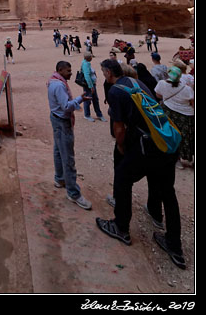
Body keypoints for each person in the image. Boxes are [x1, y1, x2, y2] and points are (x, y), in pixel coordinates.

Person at [96, 59, 186, 270]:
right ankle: (174, 245)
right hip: (165, 144)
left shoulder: (115, 91)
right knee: (168, 193)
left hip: (147, 148)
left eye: (103, 72)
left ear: (108, 73)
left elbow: (119, 128)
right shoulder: (136, 82)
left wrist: (121, 146)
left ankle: (121, 226)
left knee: (122, 177)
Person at [47, 60, 93, 209]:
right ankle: (73, 193)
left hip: (56, 118)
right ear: (60, 70)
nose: (71, 73)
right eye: (68, 71)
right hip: (62, 121)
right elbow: (66, 107)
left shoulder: (53, 80)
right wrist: (80, 99)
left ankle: (59, 178)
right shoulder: (59, 85)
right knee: (68, 157)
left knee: (58, 150)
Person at [155, 66, 194, 169]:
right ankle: (191, 159)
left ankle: (177, 160)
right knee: (188, 138)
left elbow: (158, 95)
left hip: (169, 113)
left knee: (173, 136)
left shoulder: (161, 84)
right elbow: (192, 103)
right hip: (186, 116)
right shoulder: (187, 89)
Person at [80, 52, 107, 122]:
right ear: (89, 58)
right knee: (88, 100)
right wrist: (91, 86)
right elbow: (87, 76)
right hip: (89, 86)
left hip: (91, 85)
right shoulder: (86, 64)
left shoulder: (86, 63)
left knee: (95, 99)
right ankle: (87, 115)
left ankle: (99, 114)